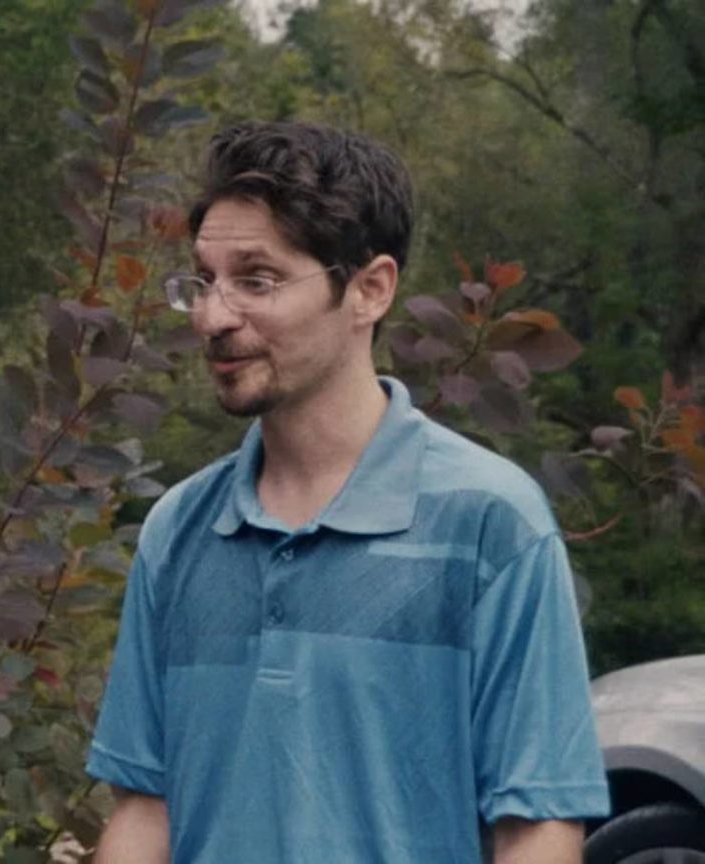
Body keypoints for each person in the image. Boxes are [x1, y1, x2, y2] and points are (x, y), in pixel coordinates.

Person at [87, 121, 609, 863]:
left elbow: (539, 829)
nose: (212, 315)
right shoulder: (178, 530)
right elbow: (145, 810)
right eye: (204, 280)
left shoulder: (492, 524)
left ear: (370, 289)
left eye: (256, 280)